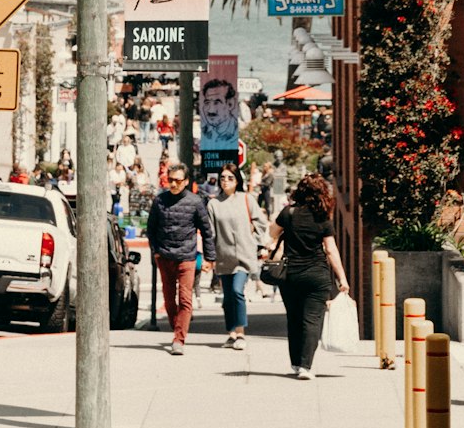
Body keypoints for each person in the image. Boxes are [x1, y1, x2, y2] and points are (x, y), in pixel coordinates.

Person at [268, 172, 349, 379]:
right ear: (322, 194)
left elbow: (272, 233)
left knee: (294, 319)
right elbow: (331, 250)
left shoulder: (289, 213)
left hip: (291, 275)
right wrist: (342, 278)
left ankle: (296, 363)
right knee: (312, 320)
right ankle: (306, 366)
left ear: (299, 192)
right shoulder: (323, 218)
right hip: (316, 275)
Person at [146, 161, 215, 354]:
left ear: (186, 182)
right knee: (169, 300)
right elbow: (150, 229)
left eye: (177, 180)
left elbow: (207, 231)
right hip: (165, 256)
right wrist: (156, 251)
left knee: (185, 299)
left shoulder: (195, 202)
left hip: (187, 257)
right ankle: (176, 325)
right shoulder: (159, 201)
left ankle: (179, 339)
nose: (173, 184)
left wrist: (210, 258)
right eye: (170, 180)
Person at [207, 164, 269, 350]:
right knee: (227, 298)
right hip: (224, 257)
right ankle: (231, 333)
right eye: (223, 178)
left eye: (230, 178)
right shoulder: (213, 204)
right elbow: (211, 232)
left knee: (237, 291)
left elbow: (261, 223)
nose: (225, 181)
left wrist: (255, 242)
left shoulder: (246, 199)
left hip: (244, 256)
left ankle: (240, 333)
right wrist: (210, 256)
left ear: (237, 181)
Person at [200, 78, 239, 146]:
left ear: (230, 104)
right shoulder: (204, 132)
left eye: (217, 102)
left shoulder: (237, 132)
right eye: (207, 102)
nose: (211, 110)